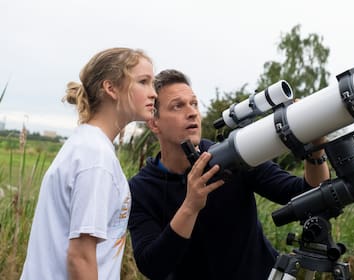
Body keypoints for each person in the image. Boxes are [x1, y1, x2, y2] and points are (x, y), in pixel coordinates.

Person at [128, 69, 330, 279]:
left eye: (194, 104)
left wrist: (316, 148)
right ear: (154, 123)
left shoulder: (234, 155)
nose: (192, 113)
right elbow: (152, 266)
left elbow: (308, 196)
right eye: (177, 106)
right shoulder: (140, 188)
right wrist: (190, 206)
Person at [20, 47, 157, 280]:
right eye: (143, 82)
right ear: (111, 88)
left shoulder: (87, 146)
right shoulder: (95, 158)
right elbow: (81, 257)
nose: (153, 93)